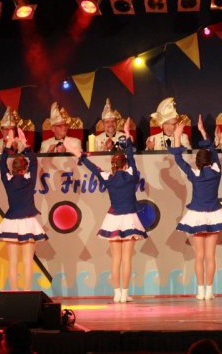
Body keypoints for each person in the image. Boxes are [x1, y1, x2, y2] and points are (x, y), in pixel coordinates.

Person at [66, 118, 146, 303]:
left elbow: (93, 169)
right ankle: (124, 294)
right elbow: (132, 158)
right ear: (125, 165)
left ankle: (117, 293)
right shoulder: (131, 174)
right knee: (127, 259)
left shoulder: (108, 177)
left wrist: (79, 155)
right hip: (129, 219)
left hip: (113, 219)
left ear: (113, 166)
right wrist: (127, 135)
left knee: (116, 259)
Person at [169, 115, 222, 300]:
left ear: (197, 162)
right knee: (210, 255)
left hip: (197, 215)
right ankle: (209, 291)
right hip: (214, 215)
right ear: (210, 161)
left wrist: (177, 136)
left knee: (199, 255)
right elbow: (213, 151)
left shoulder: (194, 174)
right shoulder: (216, 171)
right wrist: (203, 132)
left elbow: (178, 159)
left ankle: (200, 291)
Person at [0, 129, 48, 290]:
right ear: (25, 168)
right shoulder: (29, 179)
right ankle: (27, 293)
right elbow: (34, 162)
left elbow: (1, 165)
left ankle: (14, 293)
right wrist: (26, 146)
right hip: (27, 222)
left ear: (13, 168)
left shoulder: (8, 179)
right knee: (27, 261)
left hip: (11, 223)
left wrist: (7, 147)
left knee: (13, 262)